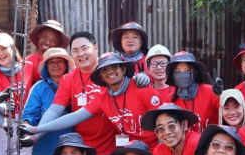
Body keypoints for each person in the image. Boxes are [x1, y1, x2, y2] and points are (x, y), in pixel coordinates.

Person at [25, 52, 157, 150]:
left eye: (114, 67)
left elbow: (164, 119)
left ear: (123, 69)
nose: (110, 72)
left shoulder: (141, 87)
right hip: (130, 153)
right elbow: (74, 117)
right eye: (105, 70)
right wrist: (37, 130)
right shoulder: (103, 98)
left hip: (153, 149)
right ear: (101, 77)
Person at [41, 31, 120, 155]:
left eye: (85, 48)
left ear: (96, 48)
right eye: (75, 50)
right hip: (83, 149)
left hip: (112, 146)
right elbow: (56, 108)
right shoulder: (68, 79)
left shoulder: (110, 72)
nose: (81, 54)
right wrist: (36, 133)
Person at [166, 51, 219, 134]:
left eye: (187, 70)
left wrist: (221, 95)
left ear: (195, 72)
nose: (183, 75)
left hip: (210, 145)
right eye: (178, 71)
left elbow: (227, 111)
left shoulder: (210, 91)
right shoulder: (171, 98)